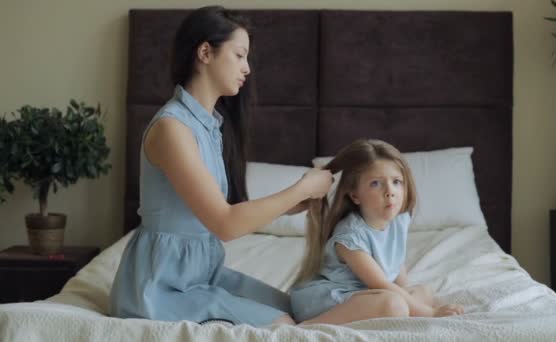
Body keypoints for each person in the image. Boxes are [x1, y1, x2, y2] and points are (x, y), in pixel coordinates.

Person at [109, 6, 333, 327]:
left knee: (295, 307)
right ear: (205, 52)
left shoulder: (209, 126)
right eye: (240, 55)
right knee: (283, 325)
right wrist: (301, 187)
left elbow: (216, 209)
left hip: (203, 275)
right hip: (161, 287)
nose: (247, 69)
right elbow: (225, 224)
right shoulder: (173, 128)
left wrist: (287, 206)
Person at [290, 139, 464, 324]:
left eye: (396, 182)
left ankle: (393, 310)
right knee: (395, 305)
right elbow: (380, 284)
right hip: (326, 300)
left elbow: (395, 264)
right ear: (355, 195)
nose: (390, 191)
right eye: (376, 183)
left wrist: (410, 297)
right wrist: (430, 314)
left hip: (366, 294)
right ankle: (308, 327)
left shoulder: (399, 219)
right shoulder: (350, 237)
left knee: (424, 292)